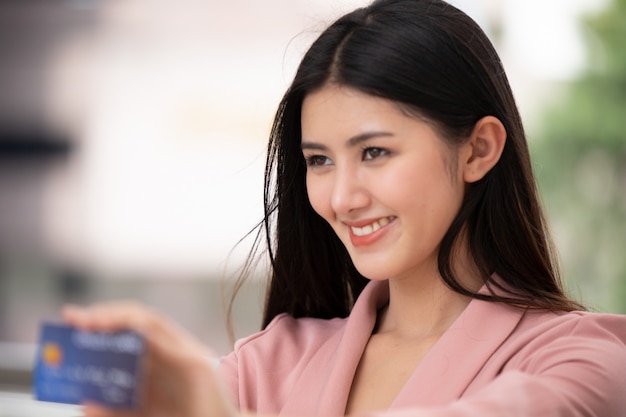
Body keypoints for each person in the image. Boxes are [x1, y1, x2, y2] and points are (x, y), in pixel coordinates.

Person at [62, 0, 626, 416]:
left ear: (479, 148)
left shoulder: (587, 361)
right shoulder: (270, 363)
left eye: (375, 152)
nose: (341, 198)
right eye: (320, 161)